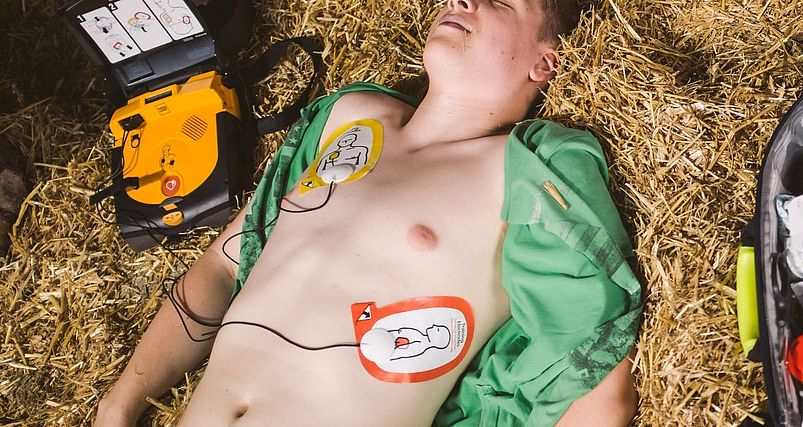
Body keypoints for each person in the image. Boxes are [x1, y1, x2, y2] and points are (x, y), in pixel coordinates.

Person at [93, 0, 641, 425]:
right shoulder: (348, 115)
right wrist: (120, 404)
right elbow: (224, 265)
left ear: (546, 61)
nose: (461, 1)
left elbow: (591, 368)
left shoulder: (523, 169)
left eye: (498, 0)